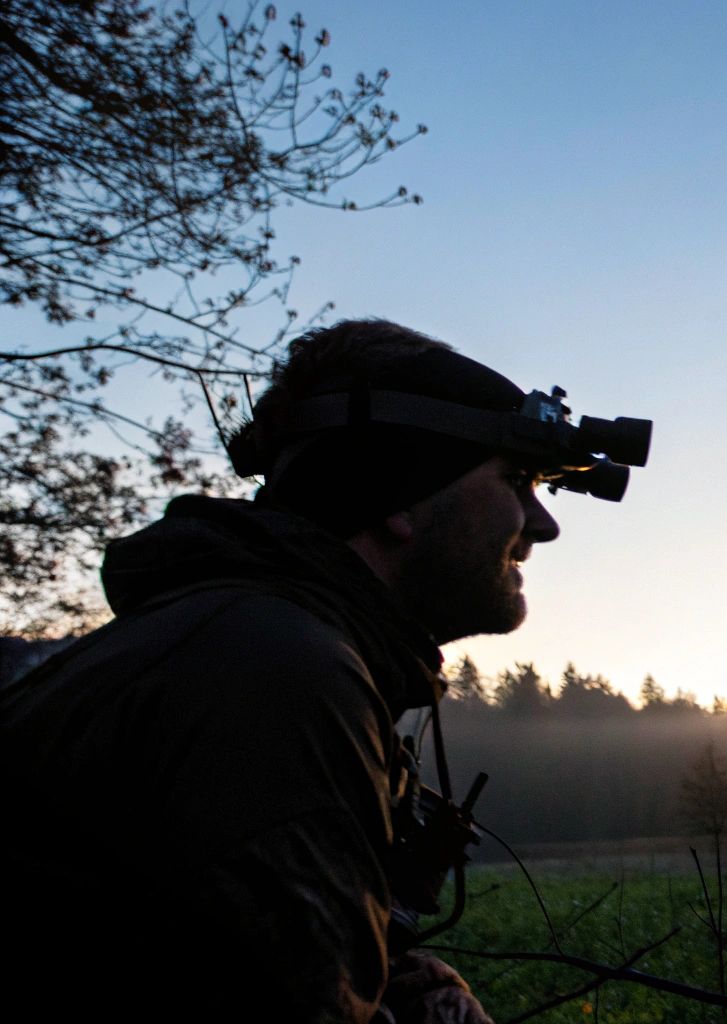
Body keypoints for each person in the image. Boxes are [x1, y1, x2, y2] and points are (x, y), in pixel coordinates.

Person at [0, 319, 648, 1022]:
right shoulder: (273, 678)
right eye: (515, 479)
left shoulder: (242, 642)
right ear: (396, 494)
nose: (541, 523)